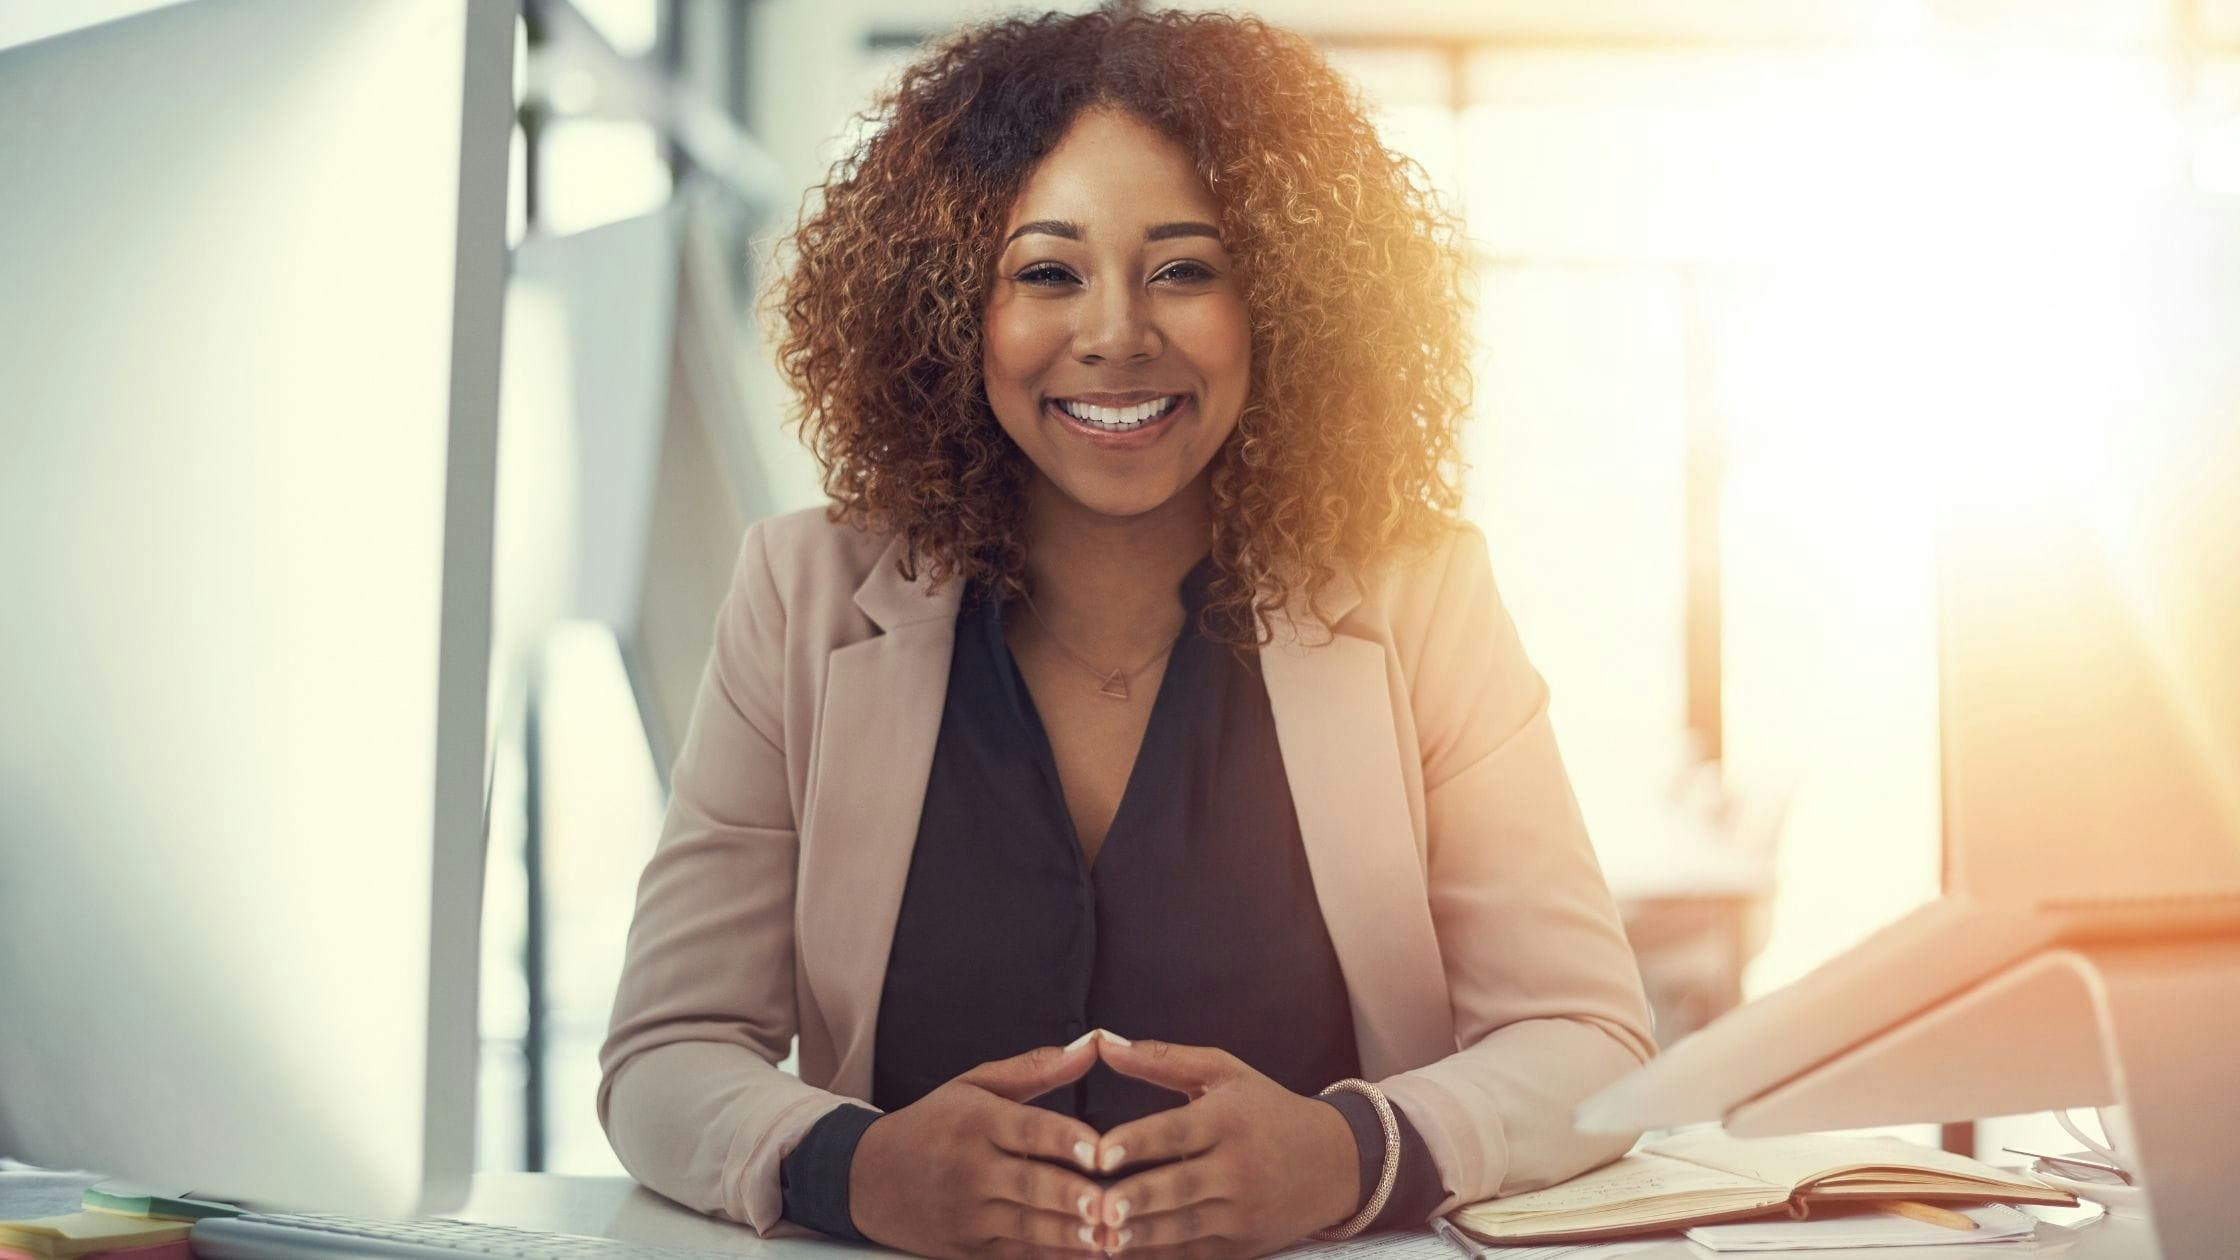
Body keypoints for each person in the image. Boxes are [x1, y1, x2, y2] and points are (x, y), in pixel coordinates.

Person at [596, 4, 1657, 1257]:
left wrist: (1354, 1153)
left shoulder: (1420, 595)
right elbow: (665, 1053)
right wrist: (852, 1165)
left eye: (1185, 268)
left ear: (1283, 299)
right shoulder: (800, 594)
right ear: (943, 308)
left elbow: (1586, 1039)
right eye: (1044, 272)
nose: (1113, 334)